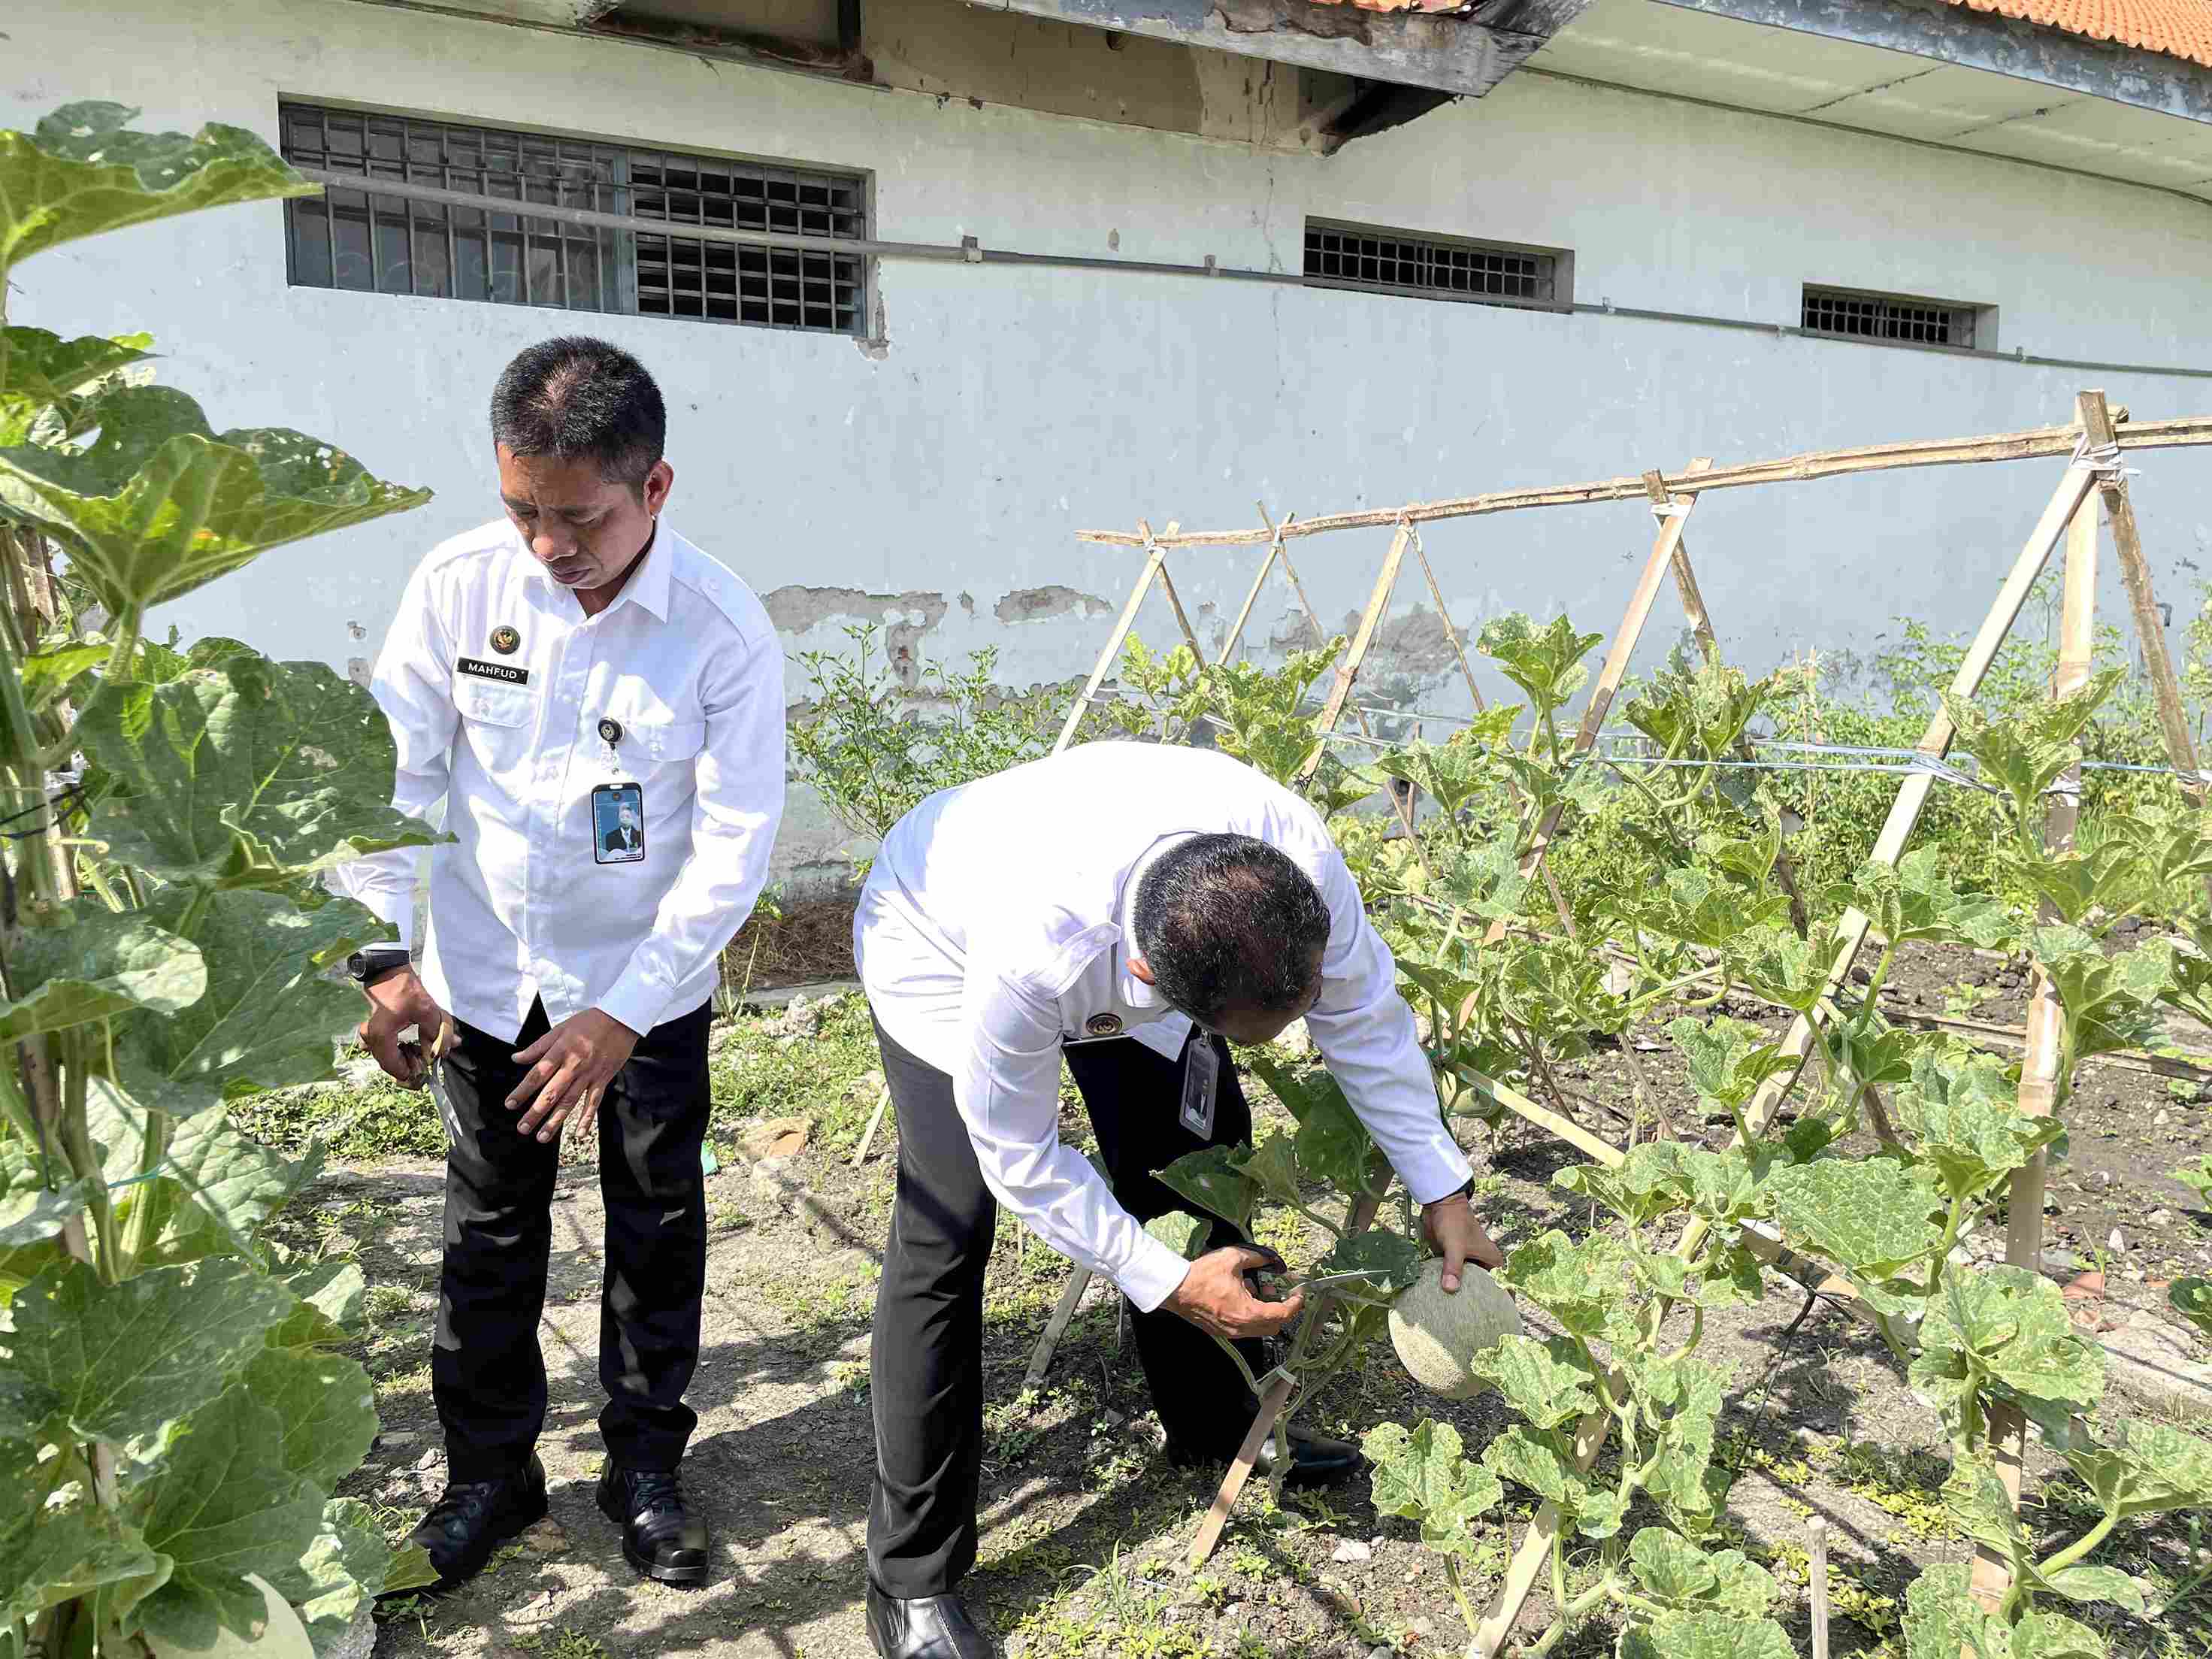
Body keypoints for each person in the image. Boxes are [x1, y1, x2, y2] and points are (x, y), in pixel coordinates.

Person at [852, 740, 1505, 1659]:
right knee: (948, 1221)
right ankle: (911, 1580)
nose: (1305, 1017)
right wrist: (1160, 1276)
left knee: (1194, 1157)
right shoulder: (1032, 951)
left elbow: (1363, 1014)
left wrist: (1445, 1185)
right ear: (1164, 987)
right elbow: (1022, 1152)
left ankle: (1213, 1422)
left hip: (1117, 925)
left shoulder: (1299, 864)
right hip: (937, 932)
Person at [330, 336, 785, 1594]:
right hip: (482, 974)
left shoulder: (719, 629)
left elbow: (736, 845)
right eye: (520, 507)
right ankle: (488, 1472)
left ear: (655, 490)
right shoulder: (455, 585)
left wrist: (625, 1012)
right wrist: (385, 955)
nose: (546, 544)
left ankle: (643, 1466)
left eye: (576, 515)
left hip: (644, 985)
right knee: (487, 1230)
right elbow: (397, 780)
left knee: (655, 1224)